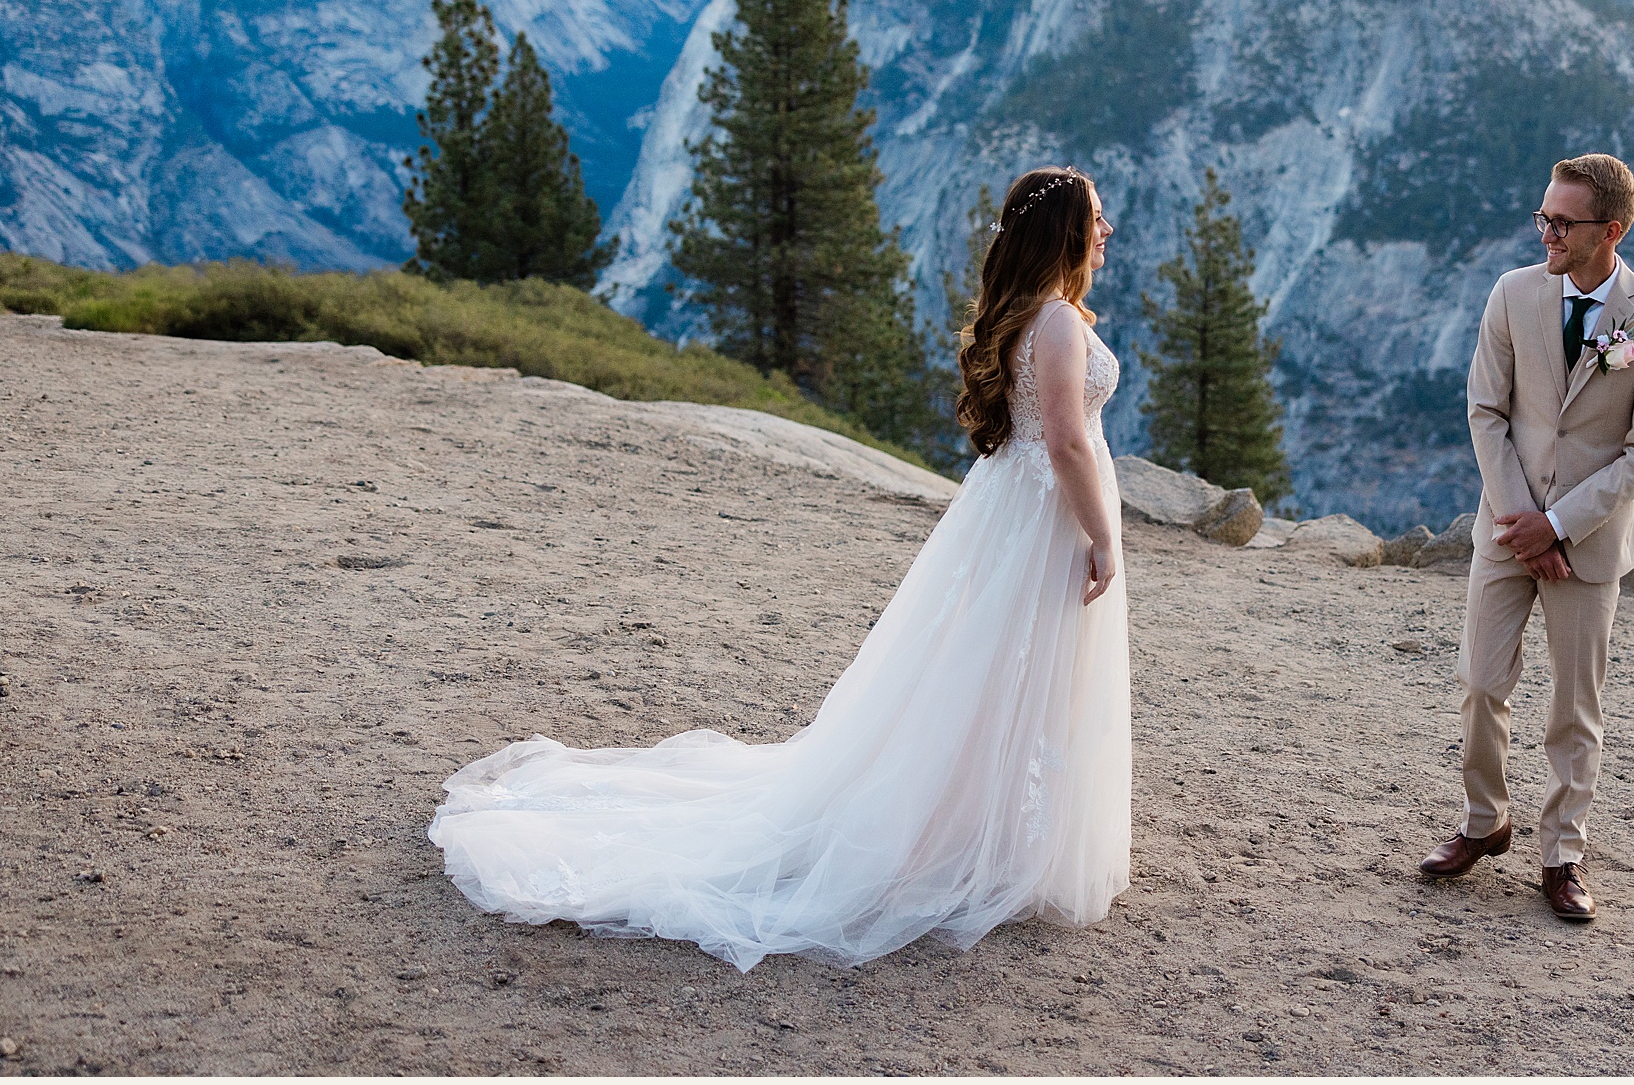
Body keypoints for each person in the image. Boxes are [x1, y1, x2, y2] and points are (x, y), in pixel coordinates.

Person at [427, 166, 1130, 971]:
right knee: (1019, 666)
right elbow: (1069, 438)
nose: (1108, 232)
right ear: (1066, 234)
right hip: (1043, 519)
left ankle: (984, 823)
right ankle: (991, 836)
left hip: (1012, 510)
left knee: (988, 669)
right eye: (1098, 220)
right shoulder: (1060, 324)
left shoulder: (1032, 317)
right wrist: (1103, 535)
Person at [1419, 153, 1634, 921]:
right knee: (1479, 685)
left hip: (1589, 543)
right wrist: (1521, 523)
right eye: (1543, 217)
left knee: (1575, 707)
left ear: (1613, 230)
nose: (1547, 233)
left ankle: (1562, 854)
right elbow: (1486, 412)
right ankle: (1484, 821)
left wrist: (1561, 524)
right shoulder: (1512, 294)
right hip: (1506, 529)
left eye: (1562, 223)